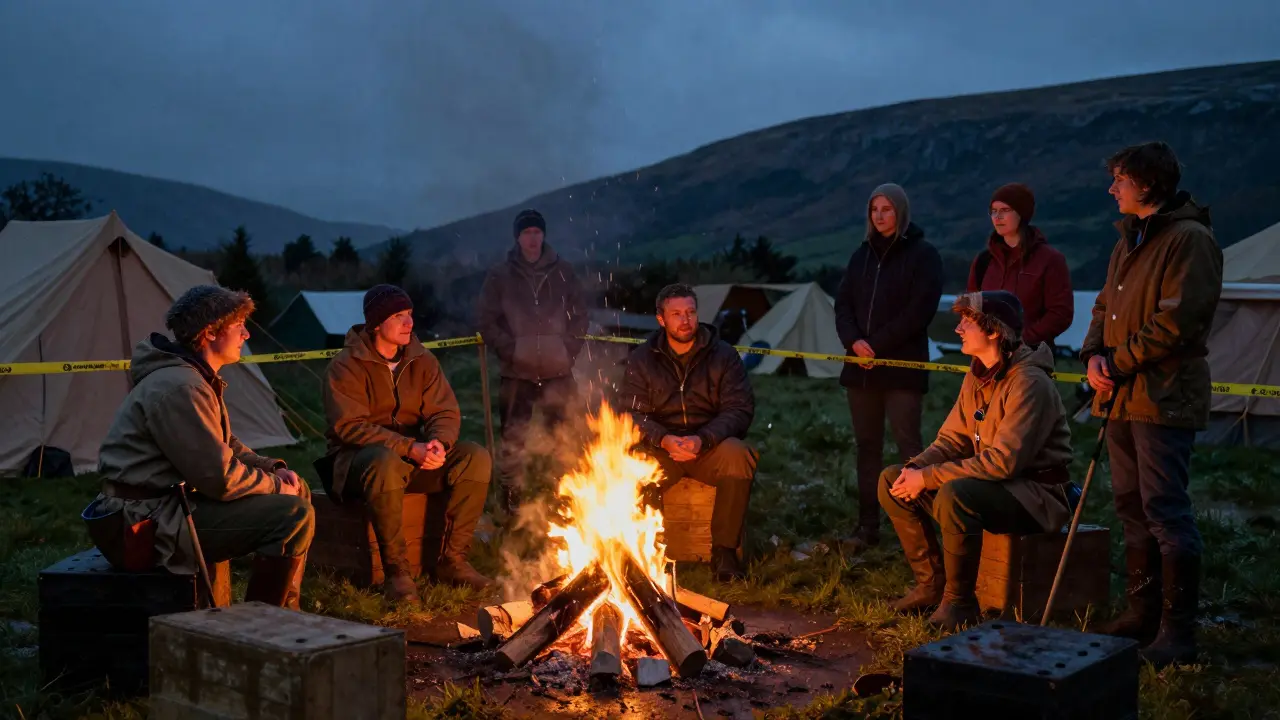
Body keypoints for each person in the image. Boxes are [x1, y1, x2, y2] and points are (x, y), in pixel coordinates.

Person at [83, 285, 314, 609]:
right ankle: (267, 628)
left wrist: (272, 470)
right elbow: (218, 477)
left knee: (296, 490)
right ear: (209, 334)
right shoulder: (181, 387)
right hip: (142, 524)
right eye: (238, 327)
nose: (246, 335)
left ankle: (286, 613)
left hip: (164, 507)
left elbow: (224, 445)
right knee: (292, 515)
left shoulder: (194, 378)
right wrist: (275, 487)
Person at [1082, 141, 1223, 667]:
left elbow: (1177, 322)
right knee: (1131, 508)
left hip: (1163, 397)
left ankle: (1177, 632)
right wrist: (1095, 353)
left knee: (1165, 510)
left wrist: (1116, 363)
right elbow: (1104, 304)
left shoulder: (1188, 240)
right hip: (1122, 398)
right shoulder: (1129, 241)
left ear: (1146, 183)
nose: (1111, 188)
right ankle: (1141, 614)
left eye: (1119, 178)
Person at [880, 290, 1073, 631]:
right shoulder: (978, 373)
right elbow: (953, 439)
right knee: (891, 480)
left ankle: (960, 603)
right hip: (998, 485)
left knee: (957, 496)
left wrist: (929, 478)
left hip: (1036, 495)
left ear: (994, 331)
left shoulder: (1029, 382)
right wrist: (915, 469)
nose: (958, 330)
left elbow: (1003, 462)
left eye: (967, 323)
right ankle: (931, 586)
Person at [321, 284, 494, 599]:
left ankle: (453, 560)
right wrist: (407, 448)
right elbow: (350, 427)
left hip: (412, 460)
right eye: (399, 316)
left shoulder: (421, 360)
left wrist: (438, 443)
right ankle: (397, 572)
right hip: (357, 465)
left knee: (475, 456)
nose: (409, 323)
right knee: (383, 462)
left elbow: (444, 410)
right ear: (375, 323)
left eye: (410, 315)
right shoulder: (345, 366)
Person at [620, 283, 757, 582]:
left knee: (739, 455)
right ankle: (646, 552)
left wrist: (702, 439)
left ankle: (723, 553)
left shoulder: (723, 355)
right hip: (663, 449)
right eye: (677, 314)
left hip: (709, 446)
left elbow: (740, 409)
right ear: (661, 319)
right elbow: (631, 413)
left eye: (691, 312)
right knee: (631, 464)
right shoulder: (643, 358)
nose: (686, 320)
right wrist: (664, 439)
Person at [835, 183, 944, 550]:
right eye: (874, 209)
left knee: (909, 449)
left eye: (887, 209)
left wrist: (877, 344)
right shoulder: (860, 257)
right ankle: (868, 528)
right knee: (867, 447)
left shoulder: (923, 256)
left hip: (901, 369)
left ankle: (917, 532)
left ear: (901, 211)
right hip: (861, 370)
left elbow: (920, 310)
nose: (879, 215)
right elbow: (843, 305)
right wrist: (854, 342)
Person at [478, 208, 589, 515]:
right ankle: (512, 501)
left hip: (558, 371)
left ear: (544, 235)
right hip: (516, 373)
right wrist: (511, 350)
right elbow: (486, 320)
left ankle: (570, 496)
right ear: (518, 236)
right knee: (513, 438)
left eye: (537, 232)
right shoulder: (500, 275)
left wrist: (567, 350)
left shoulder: (563, 270)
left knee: (568, 434)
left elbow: (580, 314)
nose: (532, 237)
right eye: (526, 232)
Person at [967, 183, 1074, 351]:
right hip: (986, 358)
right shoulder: (983, 261)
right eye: (993, 211)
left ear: (1021, 214)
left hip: (1031, 358)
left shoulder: (1050, 260)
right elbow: (971, 308)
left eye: (1005, 210)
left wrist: (1022, 340)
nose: (997, 217)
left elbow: (1060, 313)